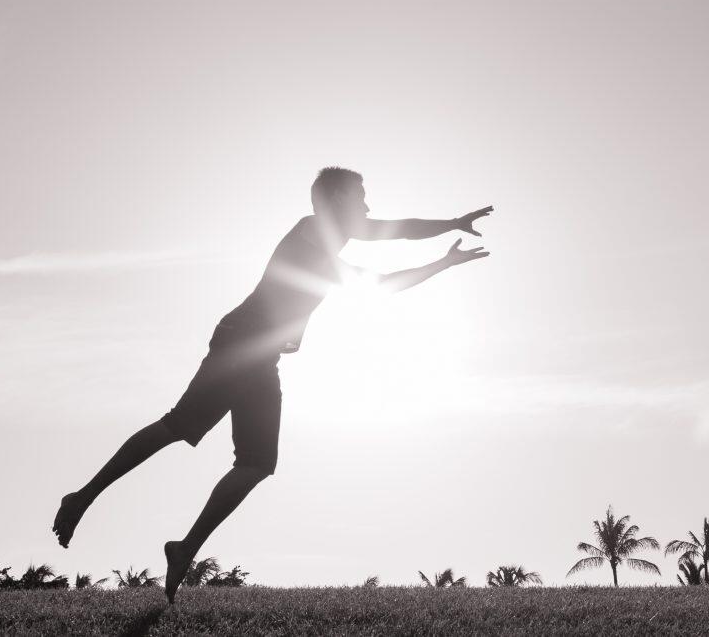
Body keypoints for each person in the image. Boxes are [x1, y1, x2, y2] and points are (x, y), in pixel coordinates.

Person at [51, 167, 492, 602]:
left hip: (262, 357)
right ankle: (82, 497)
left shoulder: (332, 240)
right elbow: (380, 266)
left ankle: (184, 549)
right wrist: (444, 244)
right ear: (336, 199)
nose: (367, 206)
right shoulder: (313, 230)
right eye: (360, 197)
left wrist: (447, 242)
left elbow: (394, 241)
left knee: (257, 462)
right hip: (240, 343)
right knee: (179, 426)